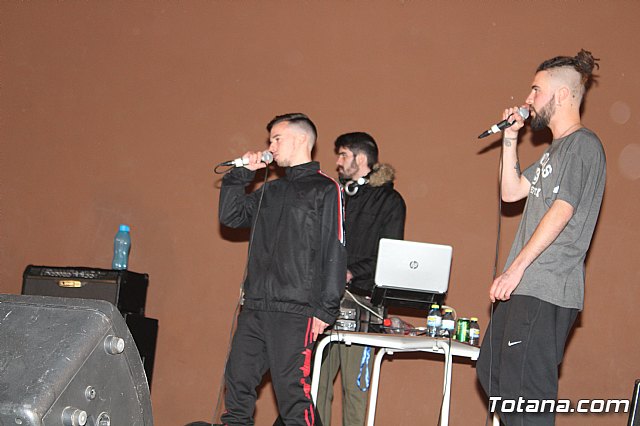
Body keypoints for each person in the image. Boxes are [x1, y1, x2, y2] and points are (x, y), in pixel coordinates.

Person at [476, 50, 606, 425]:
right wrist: (509, 138)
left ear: (562, 95)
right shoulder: (556, 151)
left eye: (536, 90)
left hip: (545, 287)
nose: (528, 98)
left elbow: (563, 210)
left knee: (527, 392)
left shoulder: (582, 145)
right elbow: (511, 192)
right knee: (492, 369)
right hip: (527, 287)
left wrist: (515, 270)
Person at [218, 113, 347, 426]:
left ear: (301, 139)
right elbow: (231, 216)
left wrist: (325, 309)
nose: (271, 147)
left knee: (293, 394)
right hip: (256, 306)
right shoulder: (270, 191)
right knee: (237, 384)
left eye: (277, 139)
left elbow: (335, 248)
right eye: (270, 141)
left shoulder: (325, 189)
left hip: (296, 310)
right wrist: (239, 176)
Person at [316, 132, 406, 426]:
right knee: (316, 384)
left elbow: (390, 254)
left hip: (363, 304)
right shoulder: (336, 196)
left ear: (362, 158)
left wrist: (351, 272)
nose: (338, 162)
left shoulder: (390, 201)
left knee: (354, 391)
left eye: (343, 155)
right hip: (325, 301)